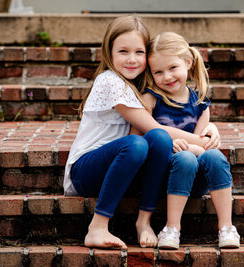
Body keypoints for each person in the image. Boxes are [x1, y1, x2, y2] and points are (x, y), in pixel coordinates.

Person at [64, 16, 218, 250]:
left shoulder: (141, 82)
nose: (132, 59)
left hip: (124, 169)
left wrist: (210, 125)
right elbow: (153, 127)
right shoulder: (110, 81)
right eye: (123, 51)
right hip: (87, 171)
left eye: (139, 52)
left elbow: (173, 118)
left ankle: (144, 222)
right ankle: (97, 227)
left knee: (153, 143)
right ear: (109, 53)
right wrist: (201, 141)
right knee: (140, 142)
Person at [141, 32, 240, 249]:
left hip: (195, 179)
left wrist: (211, 130)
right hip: (164, 176)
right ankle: (171, 228)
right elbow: (137, 138)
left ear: (187, 62)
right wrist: (167, 143)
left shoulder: (200, 103)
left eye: (172, 68)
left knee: (215, 156)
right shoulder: (151, 99)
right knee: (185, 157)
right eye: (158, 72)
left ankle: (226, 227)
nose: (166, 77)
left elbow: (202, 143)